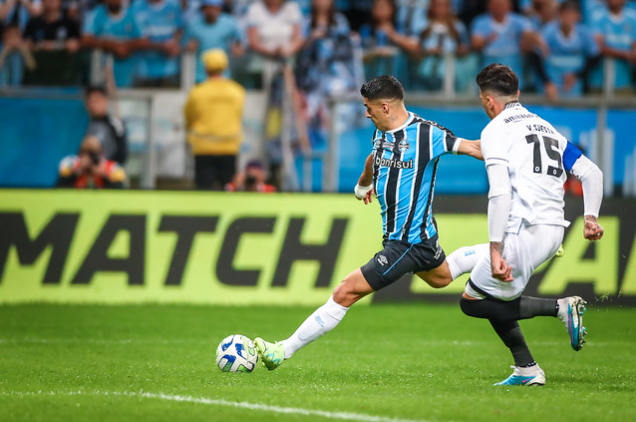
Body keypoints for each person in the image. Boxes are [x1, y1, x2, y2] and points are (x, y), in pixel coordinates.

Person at [253, 75, 486, 370]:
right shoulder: (382, 131)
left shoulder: (428, 134)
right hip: (420, 239)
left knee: (345, 291)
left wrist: (521, 161)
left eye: (369, 107)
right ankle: (501, 251)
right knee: (440, 277)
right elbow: (374, 158)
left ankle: (282, 350)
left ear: (386, 107)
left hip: (408, 242)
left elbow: (475, 148)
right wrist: (364, 184)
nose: (366, 113)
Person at [460, 63, 604, 386]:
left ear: (487, 101)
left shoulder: (495, 130)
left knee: (472, 302)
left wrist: (496, 249)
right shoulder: (546, 127)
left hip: (525, 230)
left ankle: (560, 308)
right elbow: (592, 172)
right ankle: (526, 368)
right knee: (497, 298)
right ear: (518, 94)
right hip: (554, 230)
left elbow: (499, 193)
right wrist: (590, 217)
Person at [184, 49, 245, 190]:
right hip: (229, 145)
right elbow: (238, 113)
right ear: (225, 67)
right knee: (229, 188)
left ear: (206, 68)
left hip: (203, 146)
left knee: (204, 189)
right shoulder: (237, 91)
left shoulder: (198, 92)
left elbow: (189, 116)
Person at [534, 1, 600, 98]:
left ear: (578, 16)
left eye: (572, 14)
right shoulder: (549, 31)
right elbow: (536, 56)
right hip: (551, 88)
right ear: (559, 15)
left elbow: (595, 56)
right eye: (565, 13)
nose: (568, 17)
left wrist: (577, 75)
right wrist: (547, 82)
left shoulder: (584, 33)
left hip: (574, 89)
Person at [81, 0, 147, 87]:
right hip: (101, 73)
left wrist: (125, 47)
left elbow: (144, 41)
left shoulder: (131, 14)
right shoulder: (97, 13)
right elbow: (85, 40)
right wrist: (114, 46)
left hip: (129, 73)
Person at [471, 0, 534, 86]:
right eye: (495, 5)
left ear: (509, 6)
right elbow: (476, 43)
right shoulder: (480, 22)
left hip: (512, 61)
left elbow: (530, 35)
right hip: (489, 60)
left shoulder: (519, 20)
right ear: (489, 6)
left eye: (501, 5)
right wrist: (487, 40)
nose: (498, 8)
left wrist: (525, 40)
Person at [183, 0, 243, 84]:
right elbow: (183, 43)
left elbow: (240, 39)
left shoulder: (229, 23)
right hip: (200, 74)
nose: (211, 12)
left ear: (220, 9)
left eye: (215, 8)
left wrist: (237, 46)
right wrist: (188, 47)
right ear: (203, 9)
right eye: (208, 8)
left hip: (222, 74)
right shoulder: (193, 24)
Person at [415, 0, 470, 91]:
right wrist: (428, 51)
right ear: (432, 7)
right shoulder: (423, 25)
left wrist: (456, 50)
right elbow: (415, 50)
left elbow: (465, 50)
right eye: (438, 5)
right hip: (425, 72)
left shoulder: (458, 27)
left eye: (444, 5)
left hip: (449, 74)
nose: (441, 9)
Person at [131, 0, 183, 88]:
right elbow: (135, 38)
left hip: (169, 70)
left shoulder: (174, 4)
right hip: (143, 70)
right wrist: (162, 46)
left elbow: (179, 28)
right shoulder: (137, 6)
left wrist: (175, 43)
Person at [589, 0, 636, 94]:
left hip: (624, 83)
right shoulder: (597, 16)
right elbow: (598, 47)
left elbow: (634, 52)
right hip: (598, 83)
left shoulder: (632, 18)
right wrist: (625, 54)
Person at [57, 135, 127, 189]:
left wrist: (104, 177)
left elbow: (120, 195)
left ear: (101, 154)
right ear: (80, 154)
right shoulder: (70, 166)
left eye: (93, 154)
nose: (90, 159)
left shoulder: (112, 169)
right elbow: (59, 191)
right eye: (85, 153)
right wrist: (76, 173)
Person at [84, 86, 128, 165]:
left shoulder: (115, 123)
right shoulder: (86, 125)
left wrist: (105, 167)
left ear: (105, 101)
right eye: (90, 101)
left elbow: (122, 155)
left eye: (97, 101)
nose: (93, 105)